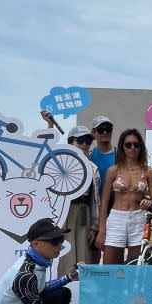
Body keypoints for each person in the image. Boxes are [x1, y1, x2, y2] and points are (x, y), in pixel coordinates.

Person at [39, 114, 101, 268]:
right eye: (80, 140)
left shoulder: (93, 168)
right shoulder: (59, 163)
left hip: (83, 212)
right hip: (63, 213)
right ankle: (62, 286)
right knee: (63, 252)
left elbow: (95, 200)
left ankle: (79, 287)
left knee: (82, 254)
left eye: (88, 141)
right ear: (70, 143)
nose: (84, 144)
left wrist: (94, 226)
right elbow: (46, 152)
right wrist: (50, 126)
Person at [96, 129, 152, 264]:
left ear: (141, 147)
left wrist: (150, 202)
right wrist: (102, 230)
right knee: (110, 267)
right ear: (122, 147)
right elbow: (104, 202)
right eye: (128, 144)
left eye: (136, 144)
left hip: (139, 219)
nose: (132, 148)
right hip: (116, 219)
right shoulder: (113, 170)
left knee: (135, 266)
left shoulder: (149, 171)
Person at [90, 116, 117, 216]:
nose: (105, 132)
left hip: (114, 209)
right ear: (93, 132)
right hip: (93, 209)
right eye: (101, 130)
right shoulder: (89, 156)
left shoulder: (120, 156)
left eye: (108, 129)